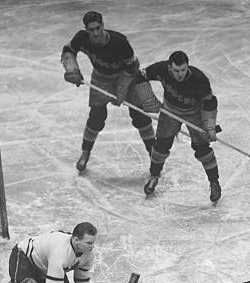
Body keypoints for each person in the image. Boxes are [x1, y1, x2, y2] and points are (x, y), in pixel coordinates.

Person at [60, 11, 158, 172]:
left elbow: (132, 66)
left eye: (98, 28)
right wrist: (72, 69)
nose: (95, 33)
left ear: (103, 25)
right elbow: (68, 50)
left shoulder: (119, 42)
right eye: (91, 30)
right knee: (96, 117)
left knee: (139, 115)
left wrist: (122, 88)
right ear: (86, 30)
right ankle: (85, 153)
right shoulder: (81, 38)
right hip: (101, 77)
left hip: (126, 76)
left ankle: (153, 154)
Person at [141, 50, 222, 202]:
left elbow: (209, 102)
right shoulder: (161, 69)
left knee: (202, 149)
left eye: (183, 70)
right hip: (170, 109)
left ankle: (214, 182)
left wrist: (209, 126)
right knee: (161, 146)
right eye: (177, 70)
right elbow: (140, 76)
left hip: (194, 112)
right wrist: (147, 98)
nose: (180, 74)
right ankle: (154, 176)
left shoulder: (199, 79)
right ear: (169, 67)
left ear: (187, 66)